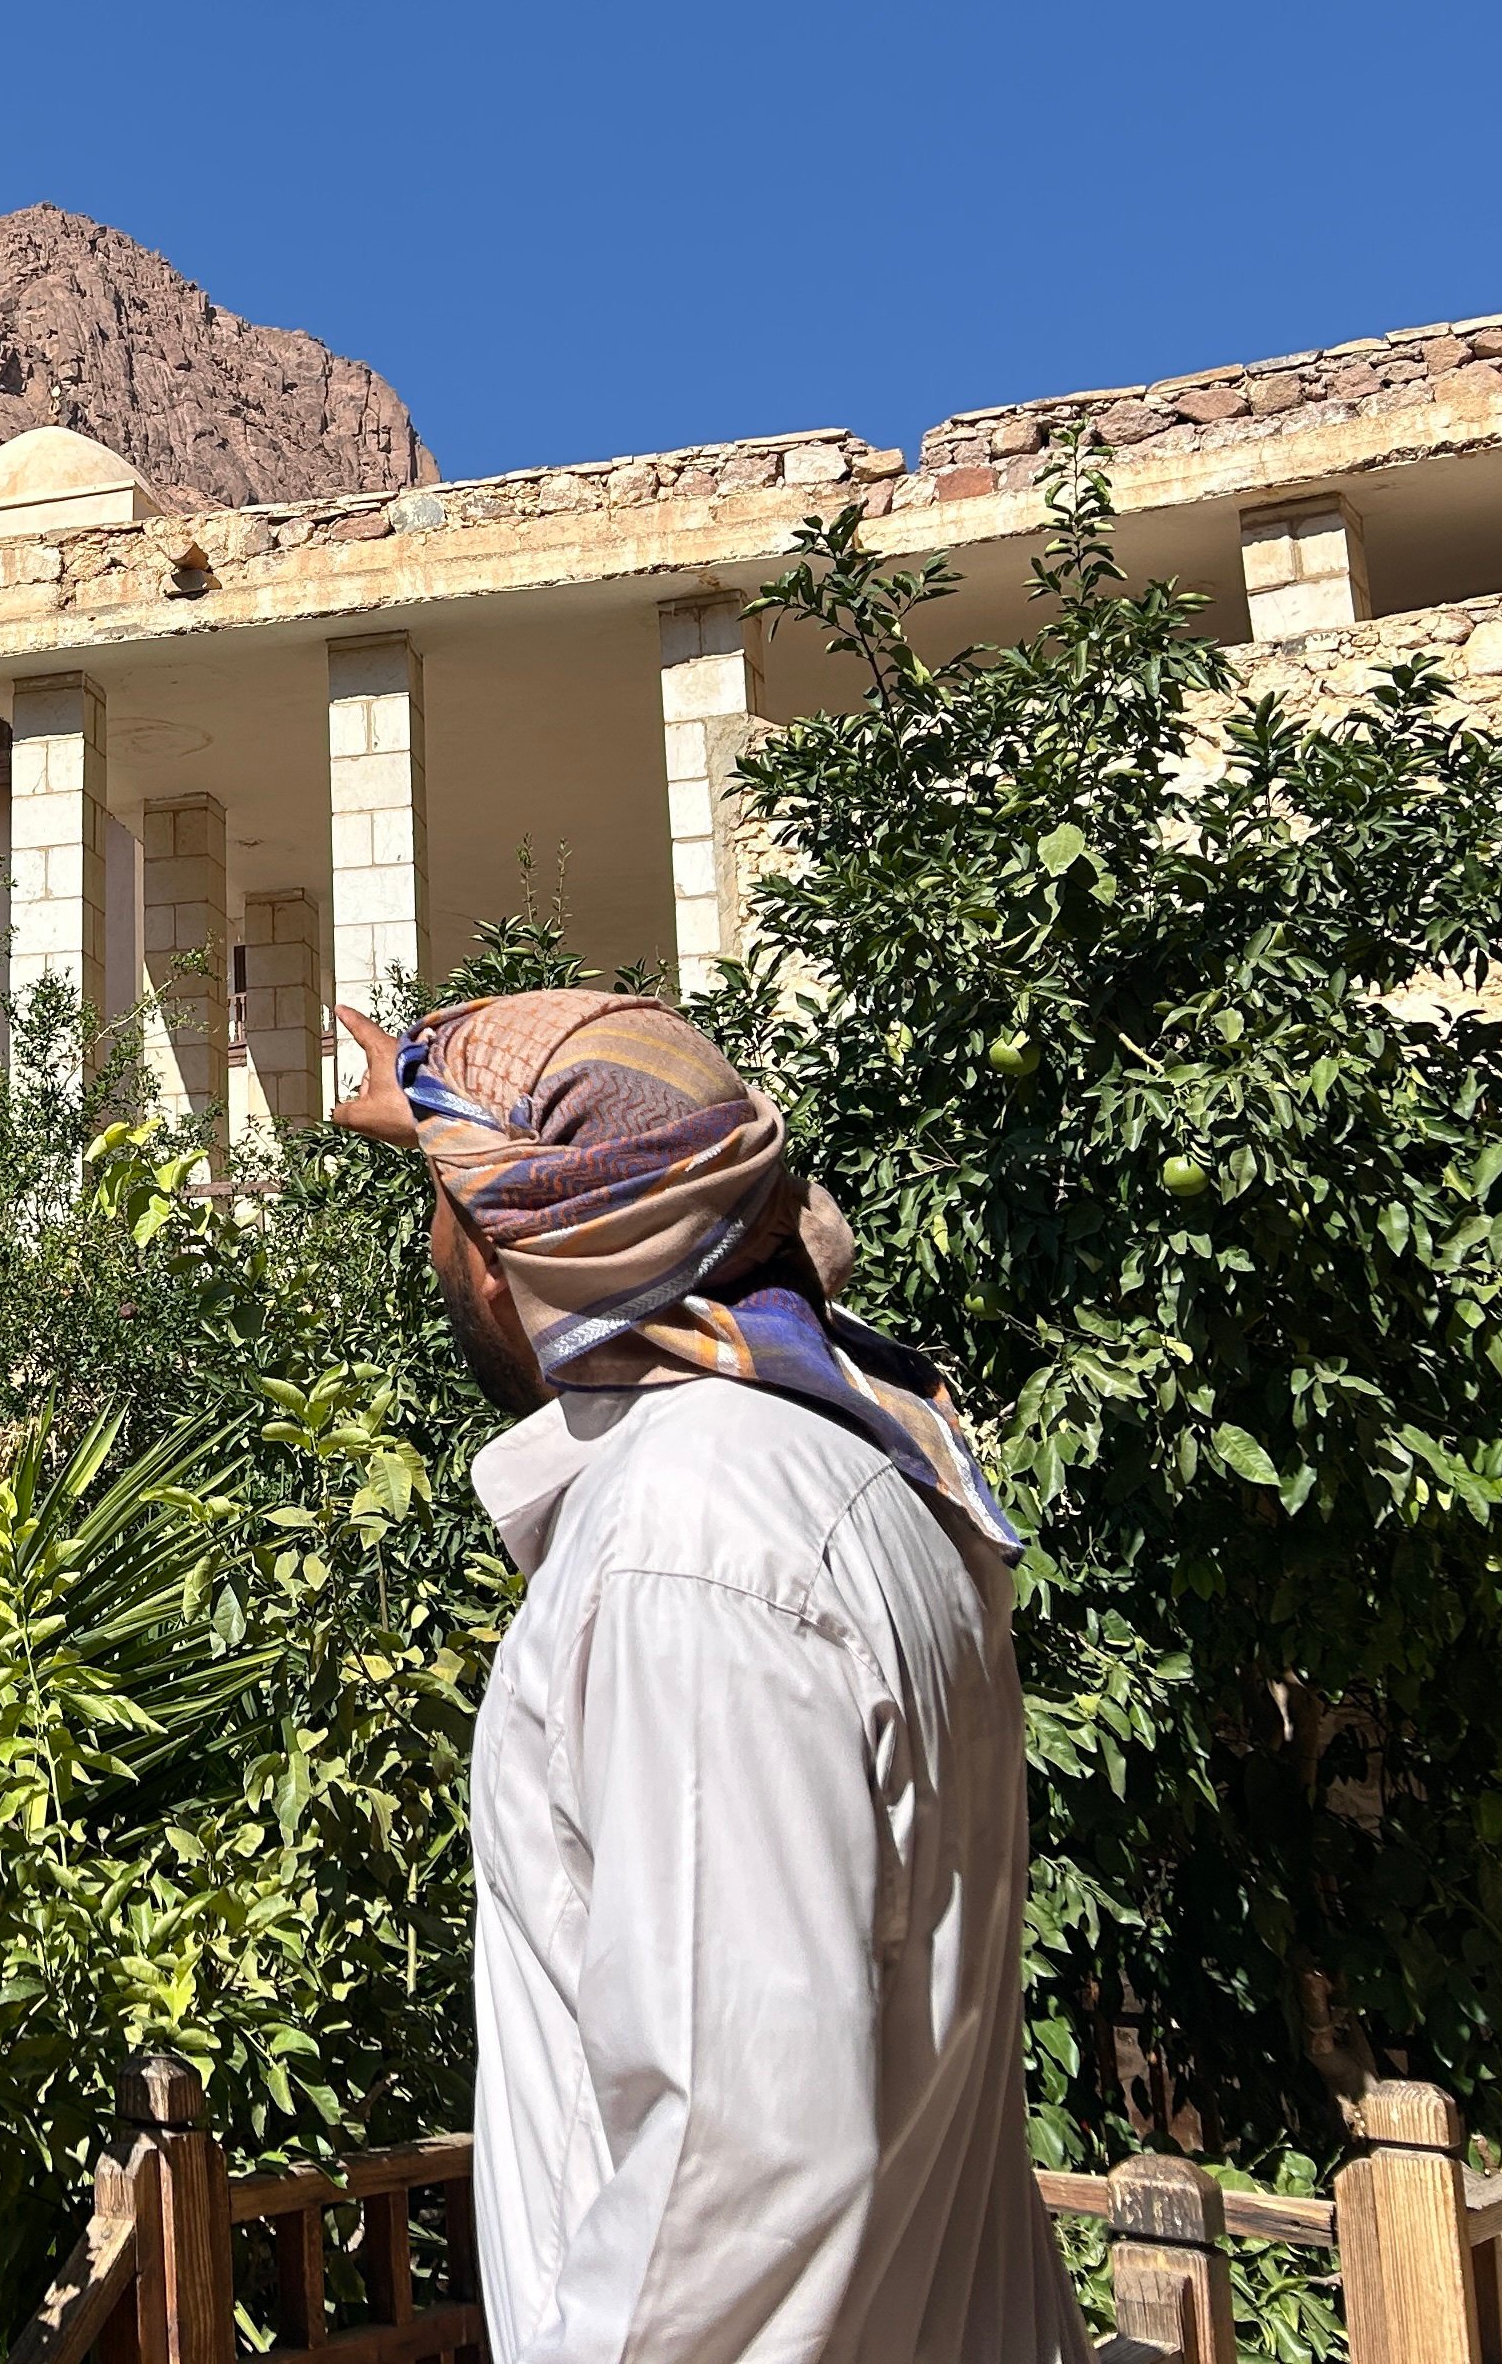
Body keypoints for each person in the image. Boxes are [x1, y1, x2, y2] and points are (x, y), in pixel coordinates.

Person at [333, 989, 1084, 2364]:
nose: (432, 1250)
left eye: (447, 1207)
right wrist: (438, 1101)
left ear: (510, 1251)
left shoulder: (691, 1535)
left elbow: (736, 2177)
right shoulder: (857, 1468)